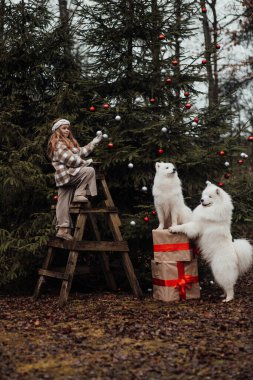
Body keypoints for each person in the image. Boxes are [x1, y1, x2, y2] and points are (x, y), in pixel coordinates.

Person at [47, 118, 102, 240]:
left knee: (62, 203)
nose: (67, 130)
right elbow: (71, 160)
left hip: (67, 176)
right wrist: (86, 162)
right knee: (89, 171)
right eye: (64, 128)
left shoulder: (66, 143)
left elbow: (80, 151)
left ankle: (62, 230)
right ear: (57, 130)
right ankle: (79, 193)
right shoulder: (58, 144)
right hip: (67, 175)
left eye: (68, 128)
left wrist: (94, 142)